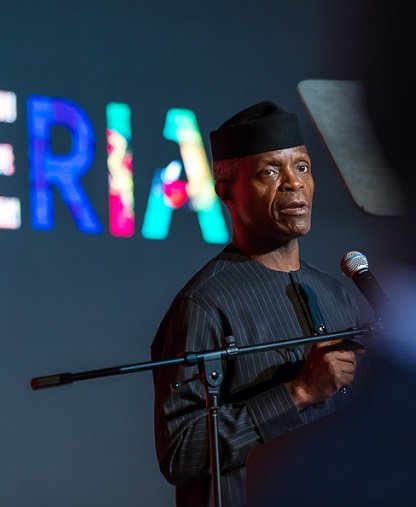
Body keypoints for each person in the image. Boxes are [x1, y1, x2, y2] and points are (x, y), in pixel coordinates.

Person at [151, 101, 365, 506]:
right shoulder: (205, 303)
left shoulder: (337, 294)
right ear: (226, 193)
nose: (293, 183)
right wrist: (298, 392)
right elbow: (179, 452)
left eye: (301, 167)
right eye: (270, 171)